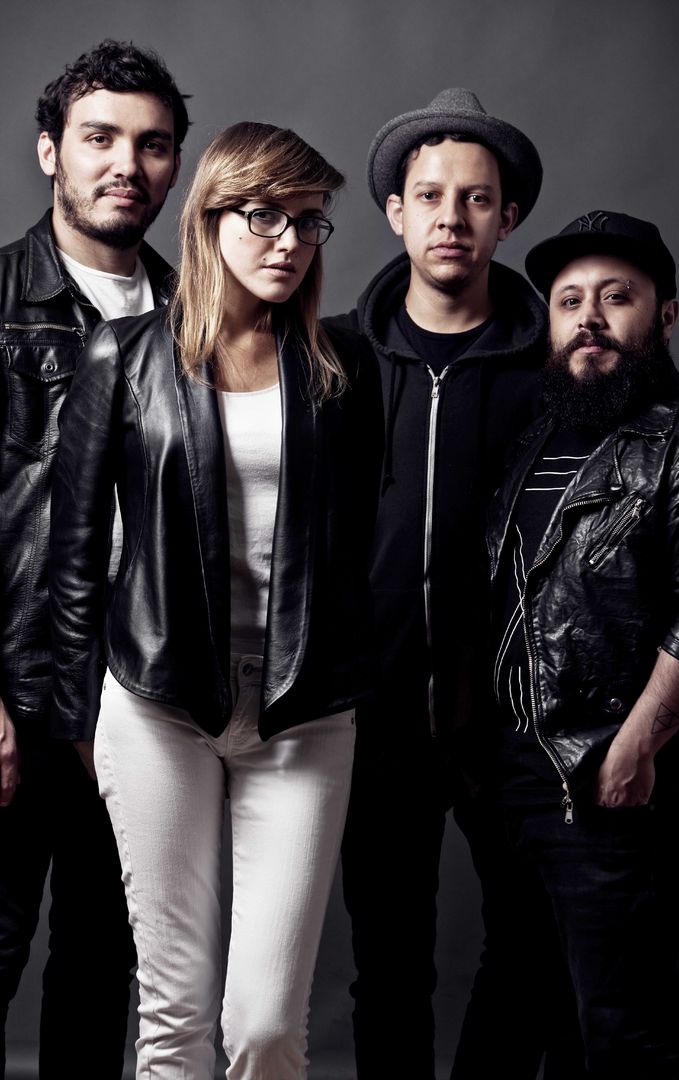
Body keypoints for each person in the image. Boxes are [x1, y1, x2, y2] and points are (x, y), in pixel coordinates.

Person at [48, 120, 383, 1079]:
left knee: (267, 1024)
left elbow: (354, 549)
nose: (289, 241)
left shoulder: (344, 368)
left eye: (308, 221)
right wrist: (84, 721)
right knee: (174, 1014)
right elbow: (75, 557)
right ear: (210, 218)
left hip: (302, 710)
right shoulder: (123, 357)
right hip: (156, 704)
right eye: (264, 215)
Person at [455, 210, 679, 1079]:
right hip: (518, 779)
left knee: (621, 1027)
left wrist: (637, 746)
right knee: (517, 1001)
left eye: (616, 298)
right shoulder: (534, 439)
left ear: (664, 316)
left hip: (615, 779)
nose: (589, 319)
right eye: (570, 301)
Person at [325, 87, 549, 1078]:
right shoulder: (334, 356)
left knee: (533, 945)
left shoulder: (556, 367)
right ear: (395, 211)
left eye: (476, 198)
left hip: (514, 721)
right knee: (389, 968)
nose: (452, 217)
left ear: (508, 217)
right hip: (374, 719)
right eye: (430, 196)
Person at [0, 39, 189, 1078]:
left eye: (152, 145)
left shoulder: (199, 318)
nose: (127, 164)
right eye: (100, 137)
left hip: (138, 699)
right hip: (18, 689)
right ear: (50, 151)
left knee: (102, 967)